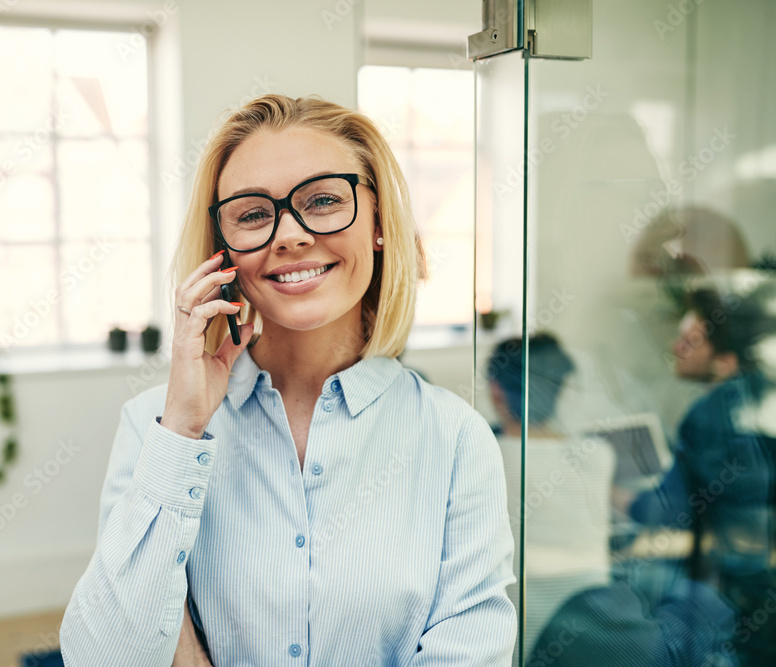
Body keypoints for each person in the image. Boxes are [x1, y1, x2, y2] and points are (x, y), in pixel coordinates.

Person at [59, 94, 517, 666]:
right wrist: (181, 432)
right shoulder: (155, 427)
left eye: (323, 200)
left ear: (378, 222)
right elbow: (104, 656)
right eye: (252, 213)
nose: (290, 234)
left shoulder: (455, 438)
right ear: (224, 250)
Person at [621, 280, 776, 667]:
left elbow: (666, 513)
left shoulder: (710, 417)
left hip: (736, 600)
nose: (676, 348)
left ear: (726, 361)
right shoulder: (760, 401)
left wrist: (612, 492)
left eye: (690, 341)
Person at [486, 333, 616, 660]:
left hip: (518, 643)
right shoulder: (598, 455)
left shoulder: (490, 457)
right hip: (594, 638)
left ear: (496, 392)